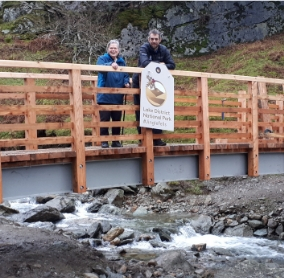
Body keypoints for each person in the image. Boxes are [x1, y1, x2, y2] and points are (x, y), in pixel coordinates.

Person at [132, 29, 176, 146]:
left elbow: (172, 65)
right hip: (140, 83)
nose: (154, 41)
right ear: (148, 39)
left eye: (156, 39)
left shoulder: (163, 50)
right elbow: (145, 62)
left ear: (160, 40)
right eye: (152, 39)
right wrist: (160, 64)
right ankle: (143, 138)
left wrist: (161, 65)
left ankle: (157, 138)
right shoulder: (144, 48)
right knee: (141, 110)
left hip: (157, 84)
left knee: (158, 108)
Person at [96, 39, 130, 148]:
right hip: (104, 95)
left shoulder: (122, 61)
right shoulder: (102, 58)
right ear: (108, 49)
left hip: (118, 96)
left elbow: (125, 74)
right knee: (105, 120)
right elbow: (100, 69)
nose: (113, 50)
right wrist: (111, 64)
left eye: (115, 48)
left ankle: (116, 141)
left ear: (118, 50)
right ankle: (104, 141)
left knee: (116, 120)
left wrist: (126, 82)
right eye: (111, 48)